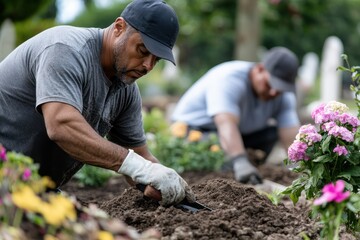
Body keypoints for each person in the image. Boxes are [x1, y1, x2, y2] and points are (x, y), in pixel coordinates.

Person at [0, 0, 195, 206]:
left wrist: (164, 181)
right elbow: (61, 126)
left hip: (26, 189)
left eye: (157, 60)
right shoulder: (66, 49)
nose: (148, 66)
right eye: (142, 50)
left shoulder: (126, 89)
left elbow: (140, 158)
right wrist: (138, 167)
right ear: (119, 27)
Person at [172, 47, 300, 185]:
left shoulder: (283, 96)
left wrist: (300, 167)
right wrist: (239, 159)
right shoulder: (229, 79)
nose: (274, 92)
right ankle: (231, 173)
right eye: (270, 84)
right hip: (194, 130)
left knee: (270, 134)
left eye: (280, 89)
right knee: (222, 158)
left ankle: (247, 168)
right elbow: (226, 124)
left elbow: (290, 135)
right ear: (259, 69)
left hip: (236, 133)